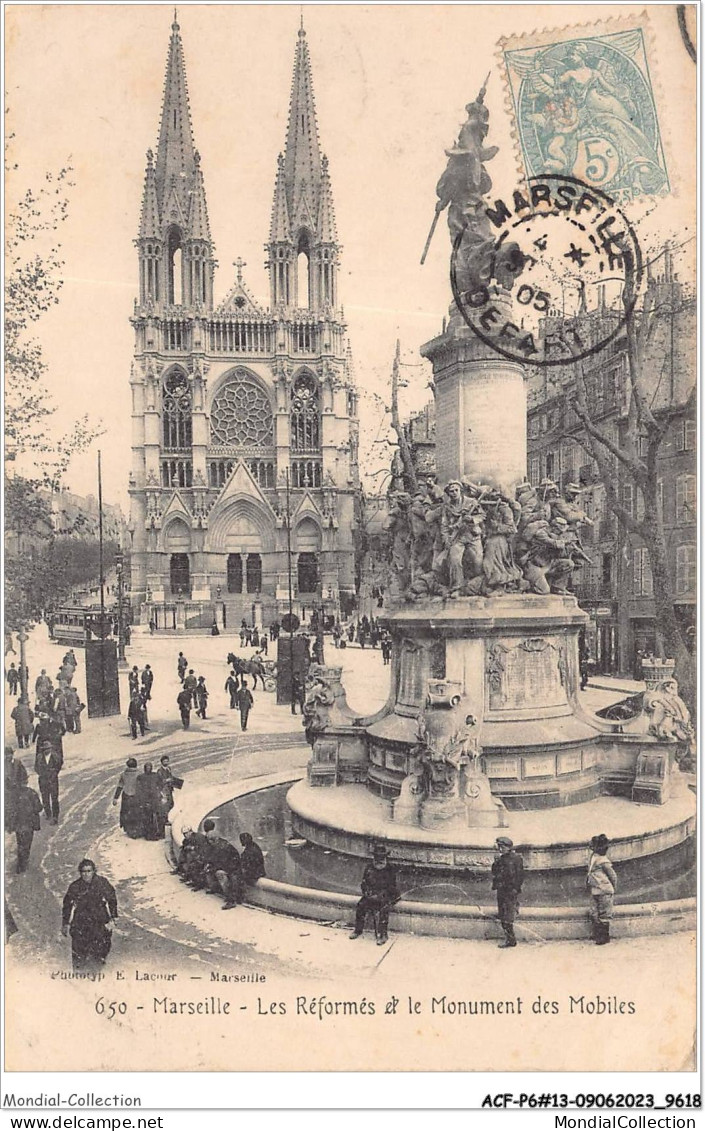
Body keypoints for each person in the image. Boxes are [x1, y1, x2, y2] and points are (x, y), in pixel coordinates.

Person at [61, 859, 118, 972]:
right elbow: (67, 905)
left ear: (94, 871)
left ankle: (96, 972)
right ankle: (79, 975)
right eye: (83, 871)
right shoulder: (75, 886)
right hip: (81, 921)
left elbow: (111, 898)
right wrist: (65, 923)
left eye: (89, 871)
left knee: (101, 948)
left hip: (99, 919)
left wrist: (113, 917)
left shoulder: (102, 883)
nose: (86, 874)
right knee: (79, 950)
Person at [350, 844, 399, 945]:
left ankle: (383, 934)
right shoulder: (369, 867)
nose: (379, 860)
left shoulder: (390, 869)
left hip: (385, 895)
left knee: (384, 908)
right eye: (377, 857)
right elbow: (364, 883)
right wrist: (367, 893)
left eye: (381, 857)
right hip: (372, 894)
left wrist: (381, 895)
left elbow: (392, 886)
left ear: (385, 857)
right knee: (361, 905)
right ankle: (358, 930)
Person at [202, 819, 244, 910]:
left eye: (210, 841)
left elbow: (223, 863)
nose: (209, 842)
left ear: (214, 840)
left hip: (233, 868)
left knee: (220, 875)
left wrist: (211, 867)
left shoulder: (222, 847)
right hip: (229, 866)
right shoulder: (219, 844)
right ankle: (215, 889)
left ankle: (231, 900)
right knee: (213, 871)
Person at [491, 836, 524, 948]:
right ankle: (509, 939)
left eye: (502, 847)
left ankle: (511, 940)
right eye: (499, 846)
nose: (500, 849)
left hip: (510, 891)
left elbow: (520, 876)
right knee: (502, 914)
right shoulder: (500, 859)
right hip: (501, 890)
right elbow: (494, 872)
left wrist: (515, 889)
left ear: (508, 847)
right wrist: (495, 862)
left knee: (508, 916)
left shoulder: (516, 859)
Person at [586, 834, 617, 945]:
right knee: (594, 912)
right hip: (595, 889)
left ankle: (603, 937)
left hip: (604, 890)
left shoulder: (604, 861)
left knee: (604, 914)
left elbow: (613, 876)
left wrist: (612, 888)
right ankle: (599, 935)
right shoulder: (593, 857)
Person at [13, 780, 43, 873]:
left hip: (19, 824)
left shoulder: (14, 794)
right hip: (29, 824)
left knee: (20, 843)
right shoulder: (31, 793)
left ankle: (20, 863)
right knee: (27, 844)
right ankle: (23, 863)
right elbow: (39, 807)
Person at [35, 738, 63, 825]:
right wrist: (42, 774)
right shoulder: (39, 757)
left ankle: (55, 816)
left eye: (48, 749)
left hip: (53, 780)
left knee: (54, 798)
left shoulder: (55, 756)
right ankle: (48, 814)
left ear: (51, 749)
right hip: (43, 781)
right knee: (45, 799)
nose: (46, 750)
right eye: (45, 749)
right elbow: (36, 768)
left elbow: (59, 764)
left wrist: (54, 773)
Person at [112, 757, 142, 838]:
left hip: (126, 796)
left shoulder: (123, 774)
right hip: (137, 796)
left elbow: (120, 786)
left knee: (127, 813)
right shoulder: (140, 773)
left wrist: (115, 798)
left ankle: (129, 830)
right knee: (137, 813)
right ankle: (137, 830)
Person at [135, 761, 164, 839]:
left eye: (149, 767)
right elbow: (138, 788)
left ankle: (159, 833)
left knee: (157, 816)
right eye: (147, 767)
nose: (148, 769)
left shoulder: (156, 775)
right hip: (146, 799)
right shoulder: (141, 777)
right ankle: (149, 835)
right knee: (148, 817)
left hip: (154, 798)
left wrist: (158, 791)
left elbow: (161, 784)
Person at [156, 754, 183, 830]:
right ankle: (165, 820)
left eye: (167, 761)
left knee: (170, 804)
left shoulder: (168, 768)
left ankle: (165, 818)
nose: (166, 762)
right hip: (164, 790)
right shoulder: (160, 771)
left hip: (169, 789)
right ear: (162, 762)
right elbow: (159, 781)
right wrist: (167, 780)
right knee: (166, 805)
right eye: (164, 761)